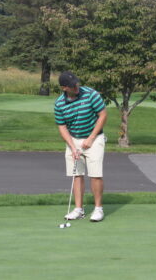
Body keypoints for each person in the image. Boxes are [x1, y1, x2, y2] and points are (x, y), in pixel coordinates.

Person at [54, 71, 107, 222]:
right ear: (64, 88)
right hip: (74, 139)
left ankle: (98, 209)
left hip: (94, 138)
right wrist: (72, 146)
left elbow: (103, 115)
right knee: (77, 175)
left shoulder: (91, 94)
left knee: (95, 174)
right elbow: (62, 127)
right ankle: (79, 209)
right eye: (72, 86)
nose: (76, 86)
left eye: (76, 83)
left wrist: (90, 138)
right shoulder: (59, 104)